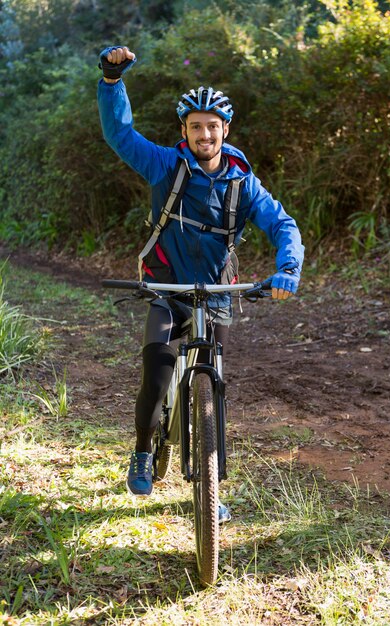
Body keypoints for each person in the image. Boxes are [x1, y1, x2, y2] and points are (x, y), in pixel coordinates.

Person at [97, 46, 304, 521]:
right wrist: (112, 83)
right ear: (184, 132)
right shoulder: (164, 166)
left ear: (224, 130)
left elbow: (283, 225)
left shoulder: (242, 182)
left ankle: (211, 487)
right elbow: (120, 134)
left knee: (215, 383)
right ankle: (143, 450)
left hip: (217, 290)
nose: (204, 134)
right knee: (158, 370)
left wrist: (287, 269)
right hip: (166, 287)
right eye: (195, 126)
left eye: (213, 126)